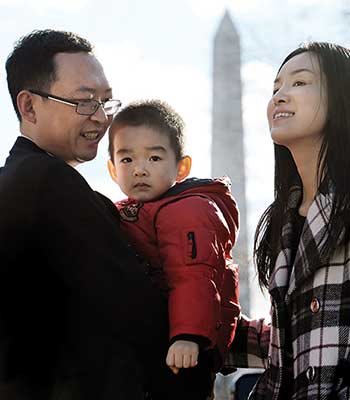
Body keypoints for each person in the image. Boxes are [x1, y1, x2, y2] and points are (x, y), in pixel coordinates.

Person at [0, 29, 174, 400]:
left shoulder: (17, 181)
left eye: (106, 102)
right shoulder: (46, 181)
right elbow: (134, 310)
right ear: (29, 106)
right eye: (84, 102)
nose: (101, 118)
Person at [224, 41, 350, 399]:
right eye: (276, 87)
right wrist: (202, 327)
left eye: (299, 82)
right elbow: (300, 337)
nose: (280, 96)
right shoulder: (285, 219)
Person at [107, 99, 241, 399]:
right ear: (113, 169)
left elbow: (193, 276)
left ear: (181, 167)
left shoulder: (188, 209)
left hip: (184, 347)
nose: (140, 169)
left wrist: (188, 335)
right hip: (159, 339)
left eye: (154, 159)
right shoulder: (137, 210)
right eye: (127, 160)